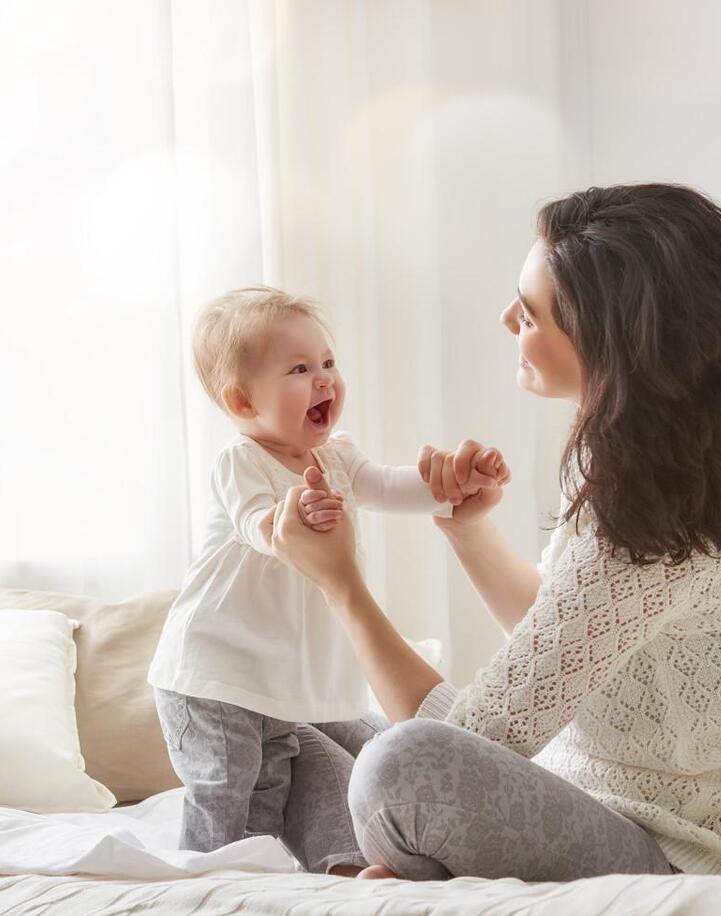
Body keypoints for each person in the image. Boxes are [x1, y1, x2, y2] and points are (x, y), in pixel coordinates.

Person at [272, 183, 721, 881]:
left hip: (685, 855)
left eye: (529, 313)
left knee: (395, 762)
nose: (505, 319)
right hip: (621, 806)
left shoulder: (650, 507)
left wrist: (340, 583)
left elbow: (475, 734)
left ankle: (417, 861)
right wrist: (469, 531)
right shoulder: (663, 463)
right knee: (350, 737)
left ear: (606, 340)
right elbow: (568, 626)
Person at [147, 285, 509, 872]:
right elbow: (255, 525)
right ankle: (203, 892)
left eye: (328, 364)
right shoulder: (241, 461)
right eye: (299, 369)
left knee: (268, 796)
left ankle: (266, 889)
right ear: (241, 402)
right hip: (211, 671)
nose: (324, 380)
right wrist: (292, 520)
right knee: (225, 796)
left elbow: (390, 485)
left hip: (271, 680)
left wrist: (450, 482)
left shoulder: (336, 459)